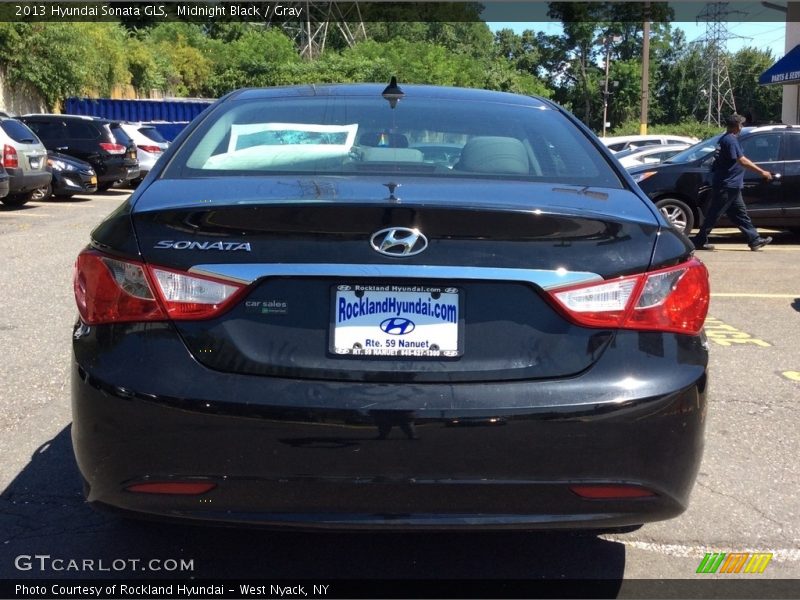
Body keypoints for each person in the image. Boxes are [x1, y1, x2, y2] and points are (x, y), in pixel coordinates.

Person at [692, 114, 773, 251]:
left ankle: (754, 239)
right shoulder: (730, 140)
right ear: (736, 126)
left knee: (740, 214)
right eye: (741, 125)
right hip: (727, 185)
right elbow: (741, 160)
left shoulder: (726, 139)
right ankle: (699, 240)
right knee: (714, 213)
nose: (742, 127)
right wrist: (762, 172)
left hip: (731, 185)